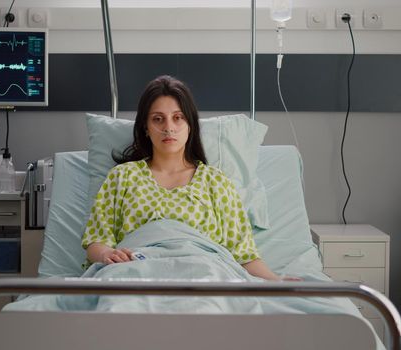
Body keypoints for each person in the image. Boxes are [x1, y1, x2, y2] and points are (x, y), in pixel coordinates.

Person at [81, 75, 297, 281]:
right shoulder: (123, 177)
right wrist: (107, 254)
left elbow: (244, 254)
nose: (168, 128)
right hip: (135, 271)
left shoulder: (215, 182)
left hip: (204, 271)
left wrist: (275, 281)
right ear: (146, 127)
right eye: (158, 119)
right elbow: (96, 241)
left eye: (178, 118)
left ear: (190, 125)